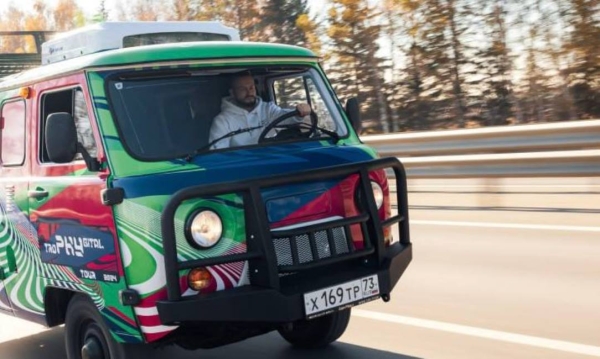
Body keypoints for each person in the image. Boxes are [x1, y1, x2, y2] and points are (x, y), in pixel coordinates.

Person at [208, 73, 312, 149]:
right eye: (242, 89)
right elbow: (218, 155)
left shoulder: (267, 109)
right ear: (232, 93)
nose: (249, 92)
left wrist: (299, 112)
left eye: (251, 87)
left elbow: (285, 118)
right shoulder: (222, 121)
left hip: (273, 159)